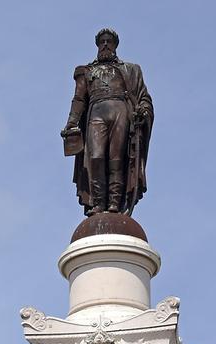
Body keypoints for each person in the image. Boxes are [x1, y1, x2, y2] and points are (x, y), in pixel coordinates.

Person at [61, 28, 154, 216]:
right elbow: (79, 99)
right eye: (102, 41)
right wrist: (71, 122)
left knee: (116, 158)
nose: (105, 45)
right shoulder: (86, 71)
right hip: (97, 111)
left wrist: (143, 111)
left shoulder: (130, 70)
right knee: (95, 157)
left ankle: (114, 202)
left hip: (120, 110)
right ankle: (97, 202)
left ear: (115, 46)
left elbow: (144, 97)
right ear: (97, 45)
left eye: (108, 41)